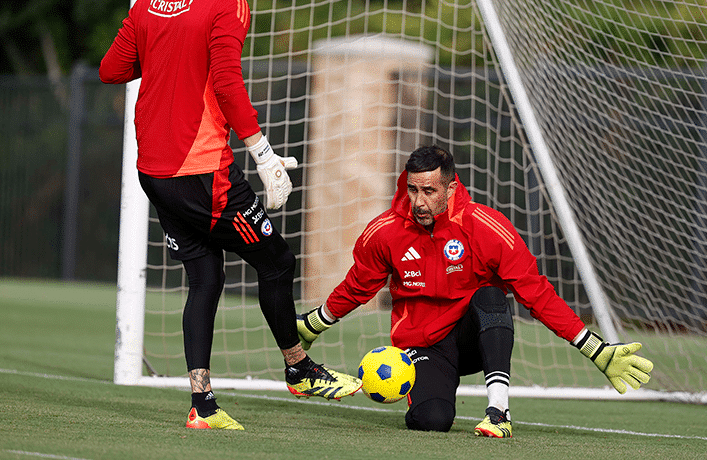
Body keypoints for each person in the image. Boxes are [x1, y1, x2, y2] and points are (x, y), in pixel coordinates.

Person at [99, 0, 361, 430]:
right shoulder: (227, 4)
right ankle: (298, 369)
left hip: (153, 169)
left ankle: (202, 406)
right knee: (276, 261)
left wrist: (168, 56)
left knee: (205, 278)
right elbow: (225, 80)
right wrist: (263, 154)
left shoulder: (146, 6)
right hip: (203, 173)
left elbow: (110, 70)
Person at [297, 145, 653, 438]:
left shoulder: (485, 227)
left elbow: (537, 294)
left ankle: (498, 410)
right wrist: (313, 325)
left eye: (429, 191)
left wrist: (595, 349)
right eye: (413, 190)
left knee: (491, 296)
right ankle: (428, 396)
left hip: (475, 337)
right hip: (424, 345)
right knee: (432, 421)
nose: (419, 202)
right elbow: (358, 286)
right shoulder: (385, 231)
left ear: (450, 189)